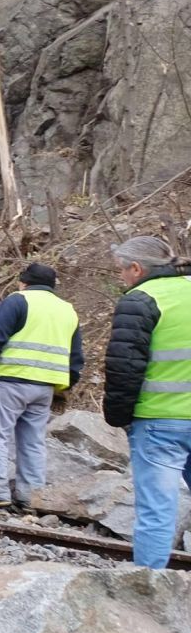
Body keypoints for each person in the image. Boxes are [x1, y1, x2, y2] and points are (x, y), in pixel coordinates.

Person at [103, 236, 191, 568]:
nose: (121, 278)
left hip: (159, 421)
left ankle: (149, 588)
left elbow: (125, 367)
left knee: (157, 509)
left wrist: (118, 417)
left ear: (136, 268)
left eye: (121, 271)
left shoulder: (140, 300)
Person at [0, 263, 83, 510]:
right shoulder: (67, 310)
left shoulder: (17, 301)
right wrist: (65, 387)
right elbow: (75, 357)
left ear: (23, 281)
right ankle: (31, 496)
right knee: (33, 440)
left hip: (12, 380)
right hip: (46, 387)